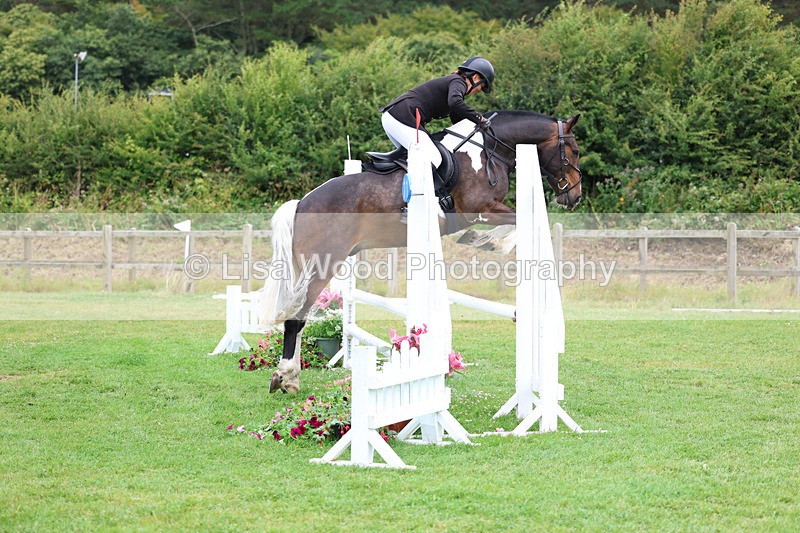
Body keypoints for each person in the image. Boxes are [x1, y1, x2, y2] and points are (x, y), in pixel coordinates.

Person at [378, 56, 495, 179]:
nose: (478, 91)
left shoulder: (454, 87)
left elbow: (458, 121)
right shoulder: (458, 81)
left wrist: (476, 130)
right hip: (401, 117)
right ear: (475, 77)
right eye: (481, 86)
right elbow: (455, 102)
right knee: (433, 157)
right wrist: (480, 118)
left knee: (414, 157)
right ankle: (416, 196)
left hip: (395, 117)